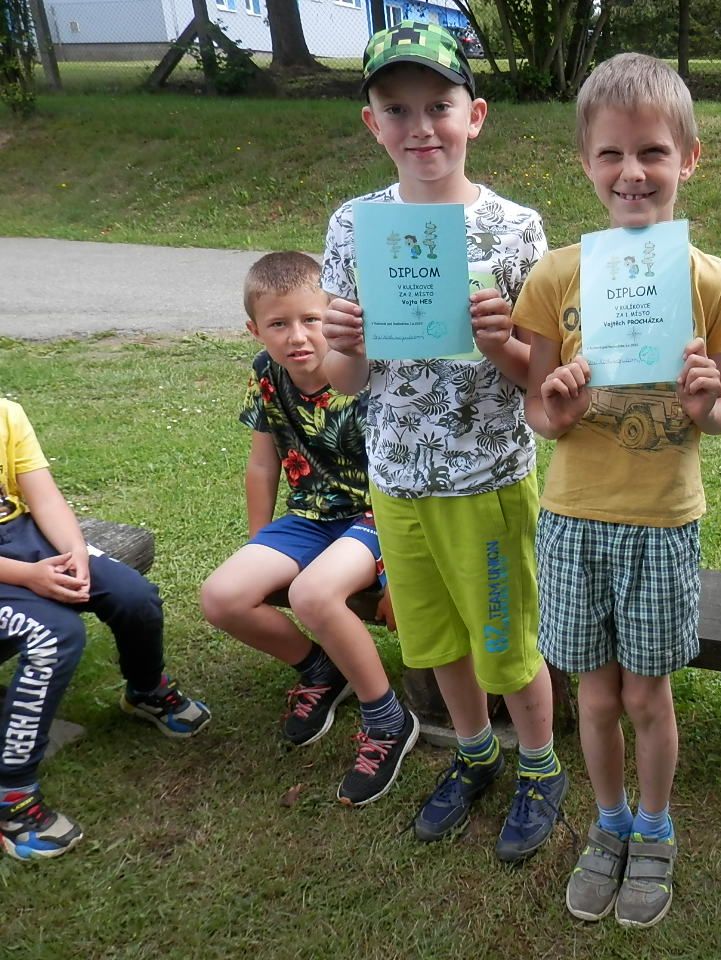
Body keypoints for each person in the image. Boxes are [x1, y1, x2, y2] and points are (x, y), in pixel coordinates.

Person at [514, 52, 721, 929]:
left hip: (661, 523)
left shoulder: (713, 281)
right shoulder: (556, 276)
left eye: (652, 151)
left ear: (689, 158)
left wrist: (704, 404)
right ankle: (607, 823)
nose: (632, 172)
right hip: (573, 519)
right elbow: (538, 412)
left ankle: (654, 827)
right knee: (596, 694)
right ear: (586, 162)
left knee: (649, 695)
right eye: (611, 154)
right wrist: (559, 406)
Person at [320, 22, 562, 863]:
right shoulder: (354, 227)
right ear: (372, 124)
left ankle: (540, 764)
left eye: (439, 106)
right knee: (435, 639)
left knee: (506, 641)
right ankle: (475, 751)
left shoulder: (515, 230)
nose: (420, 126)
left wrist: (502, 342)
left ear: (475, 116)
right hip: (396, 479)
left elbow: (542, 378)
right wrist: (346, 343)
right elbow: (346, 381)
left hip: (487, 478)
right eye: (397, 109)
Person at [200, 251, 416, 808]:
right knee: (222, 596)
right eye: (278, 324)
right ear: (255, 330)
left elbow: (401, 479)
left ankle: (387, 719)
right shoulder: (266, 373)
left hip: (377, 516)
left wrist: (394, 573)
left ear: (334, 318)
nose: (297, 337)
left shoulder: (365, 378)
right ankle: (320, 669)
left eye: (311, 320)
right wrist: (259, 542)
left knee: (313, 594)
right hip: (309, 516)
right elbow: (262, 464)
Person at [0, 399, 211, 861]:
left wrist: (75, 550)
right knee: (54, 636)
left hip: (22, 537)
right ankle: (11, 797)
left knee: (134, 595)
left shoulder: (6, 413)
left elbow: (44, 498)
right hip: (9, 570)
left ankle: (146, 690)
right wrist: (27, 576)